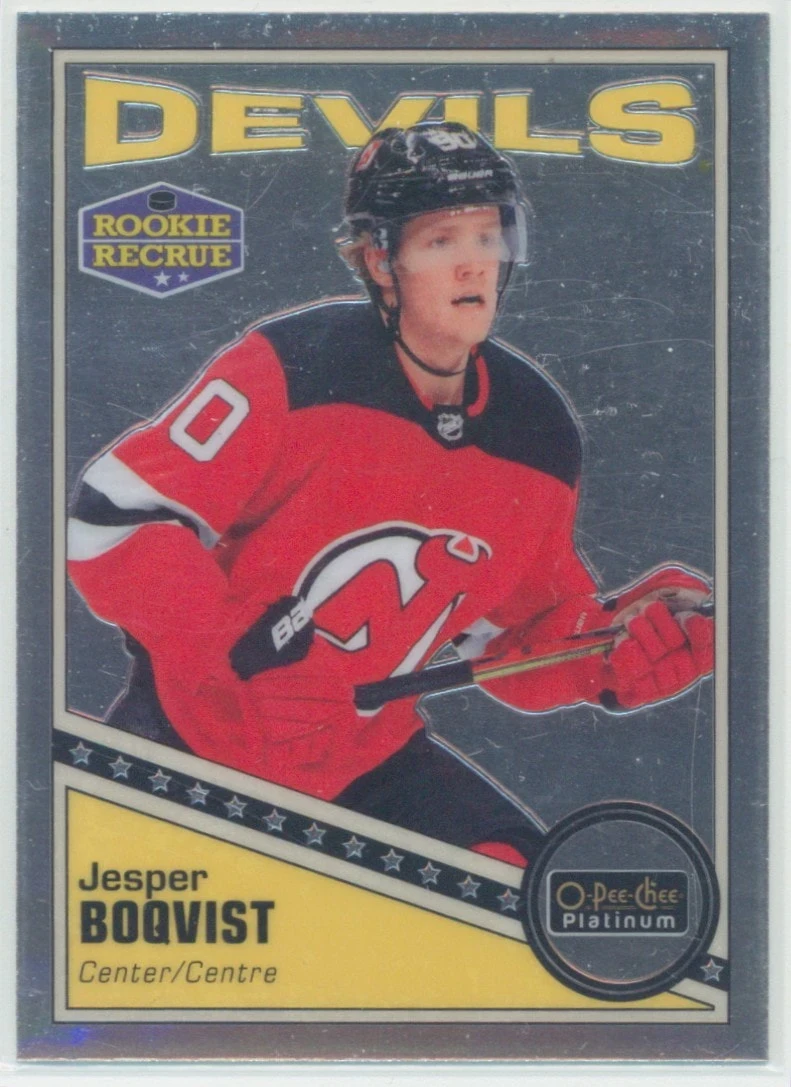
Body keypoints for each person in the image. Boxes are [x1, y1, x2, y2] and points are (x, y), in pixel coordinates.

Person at [67, 122, 713, 866]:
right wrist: (235, 650)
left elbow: (510, 635)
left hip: (364, 763)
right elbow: (112, 521)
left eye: (487, 236)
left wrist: (609, 646)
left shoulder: (537, 432)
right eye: (441, 240)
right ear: (380, 259)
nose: (473, 263)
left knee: (528, 891)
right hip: (192, 743)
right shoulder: (295, 366)